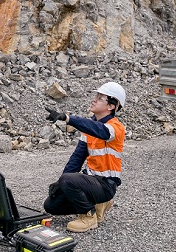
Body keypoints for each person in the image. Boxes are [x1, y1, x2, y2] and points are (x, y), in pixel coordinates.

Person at [43, 82, 126, 233]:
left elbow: (99, 130)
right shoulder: (90, 127)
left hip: (106, 185)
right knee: (51, 206)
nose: (94, 99)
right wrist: (60, 183)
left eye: (100, 98)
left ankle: (89, 216)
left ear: (111, 106)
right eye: (96, 96)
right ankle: (98, 204)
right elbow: (76, 159)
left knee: (68, 180)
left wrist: (68, 118)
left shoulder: (115, 128)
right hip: (91, 182)